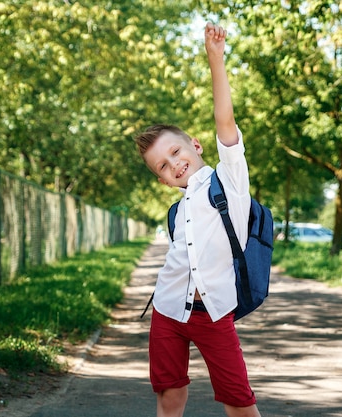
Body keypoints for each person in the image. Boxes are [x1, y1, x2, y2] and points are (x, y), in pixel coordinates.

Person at [134, 22, 261, 417]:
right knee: (169, 396)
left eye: (176, 151)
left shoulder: (229, 182)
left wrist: (215, 59)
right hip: (169, 310)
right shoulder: (179, 207)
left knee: (238, 400)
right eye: (163, 164)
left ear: (196, 144)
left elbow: (226, 121)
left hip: (215, 313)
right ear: (160, 178)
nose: (174, 164)